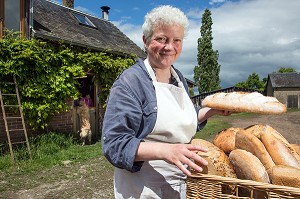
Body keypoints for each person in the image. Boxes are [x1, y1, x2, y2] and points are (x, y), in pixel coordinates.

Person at [102, 5, 230, 199]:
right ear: (145, 41)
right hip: (143, 188)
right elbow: (114, 144)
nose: (169, 47)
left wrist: (211, 110)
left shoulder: (178, 78)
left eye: (176, 40)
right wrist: (166, 151)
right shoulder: (130, 82)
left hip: (183, 184)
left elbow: (181, 121)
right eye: (161, 39)